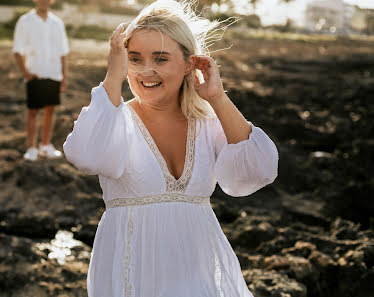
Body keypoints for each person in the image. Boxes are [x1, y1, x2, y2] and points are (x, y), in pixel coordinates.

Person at [63, 0, 278, 296]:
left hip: (198, 273)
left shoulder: (207, 124)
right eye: (135, 58)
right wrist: (113, 77)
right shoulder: (114, 121)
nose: (146, 71)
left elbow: (258, 170)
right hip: (133, 274)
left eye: (161, 59)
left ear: (189, 63)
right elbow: (85, 156)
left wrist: (217, 97)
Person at [13, 0, 69, 161]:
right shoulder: (25, 21)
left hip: (54, 73)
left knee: (50, 110)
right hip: (35, 73)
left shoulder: (57, 23)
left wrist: (64, 77)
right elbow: (17, 50)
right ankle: (31, 148)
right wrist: (26, 73)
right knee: (33, 111)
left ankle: (45, 145)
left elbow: (63, 52)